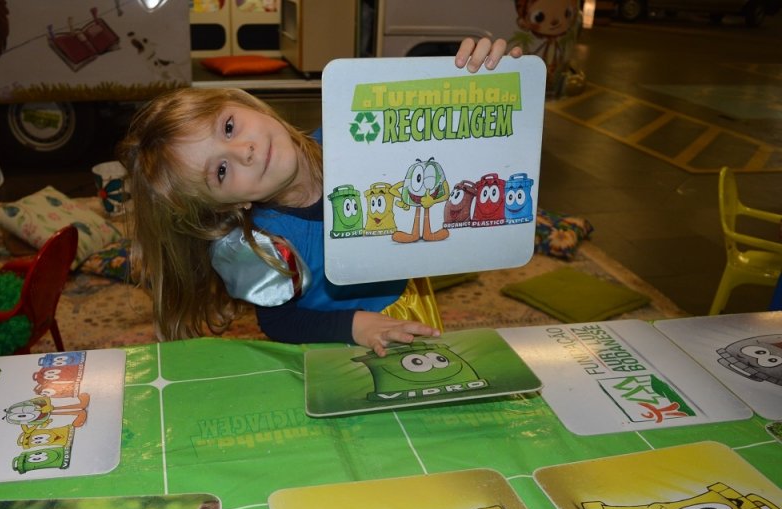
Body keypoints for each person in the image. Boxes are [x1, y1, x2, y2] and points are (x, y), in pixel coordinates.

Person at [119, 37, 522, 356]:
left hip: (408, 303)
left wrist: (479, 78)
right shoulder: (263, 246)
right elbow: (279, 323)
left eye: (228, 127)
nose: (244, 150)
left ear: (243, 102)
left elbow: (451, 144)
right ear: (228, 205)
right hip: (334, 342)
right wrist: (353, 326)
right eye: (221, 172)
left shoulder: (359, 135)